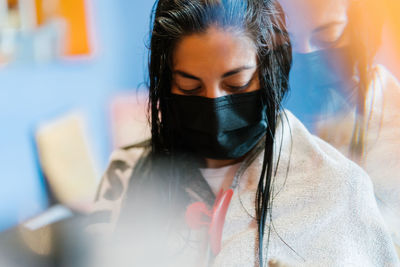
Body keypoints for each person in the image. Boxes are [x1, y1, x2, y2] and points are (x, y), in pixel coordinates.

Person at [89, 0, 399, 266]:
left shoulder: (334, 186)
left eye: (236, 85)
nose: (213, 103)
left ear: (269, 74)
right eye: (190, 86)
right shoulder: (127, 174)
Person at [279, 0, 400, 253]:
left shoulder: (386, 107)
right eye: (286, 41)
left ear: (361, 28)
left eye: (327, 36)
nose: (304, 53)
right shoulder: (264, 104)